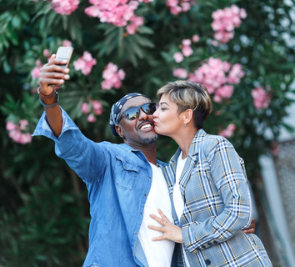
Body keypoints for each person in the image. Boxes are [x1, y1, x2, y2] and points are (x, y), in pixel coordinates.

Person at [33, 55, 255, 267]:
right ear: (120, 130)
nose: (144, 116)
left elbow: (198, 223)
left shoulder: (174, 174)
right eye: (131, 114)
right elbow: (73, 144)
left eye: (149, 108)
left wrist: (237, 228)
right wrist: (48, 99)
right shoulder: (107, 160)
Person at [148, 80, 272, 267]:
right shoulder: (171, 168)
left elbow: (239, 212)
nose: (154, 115)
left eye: (163, 108)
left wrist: (185, 234)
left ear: (186, 116)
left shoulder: (214, 147)